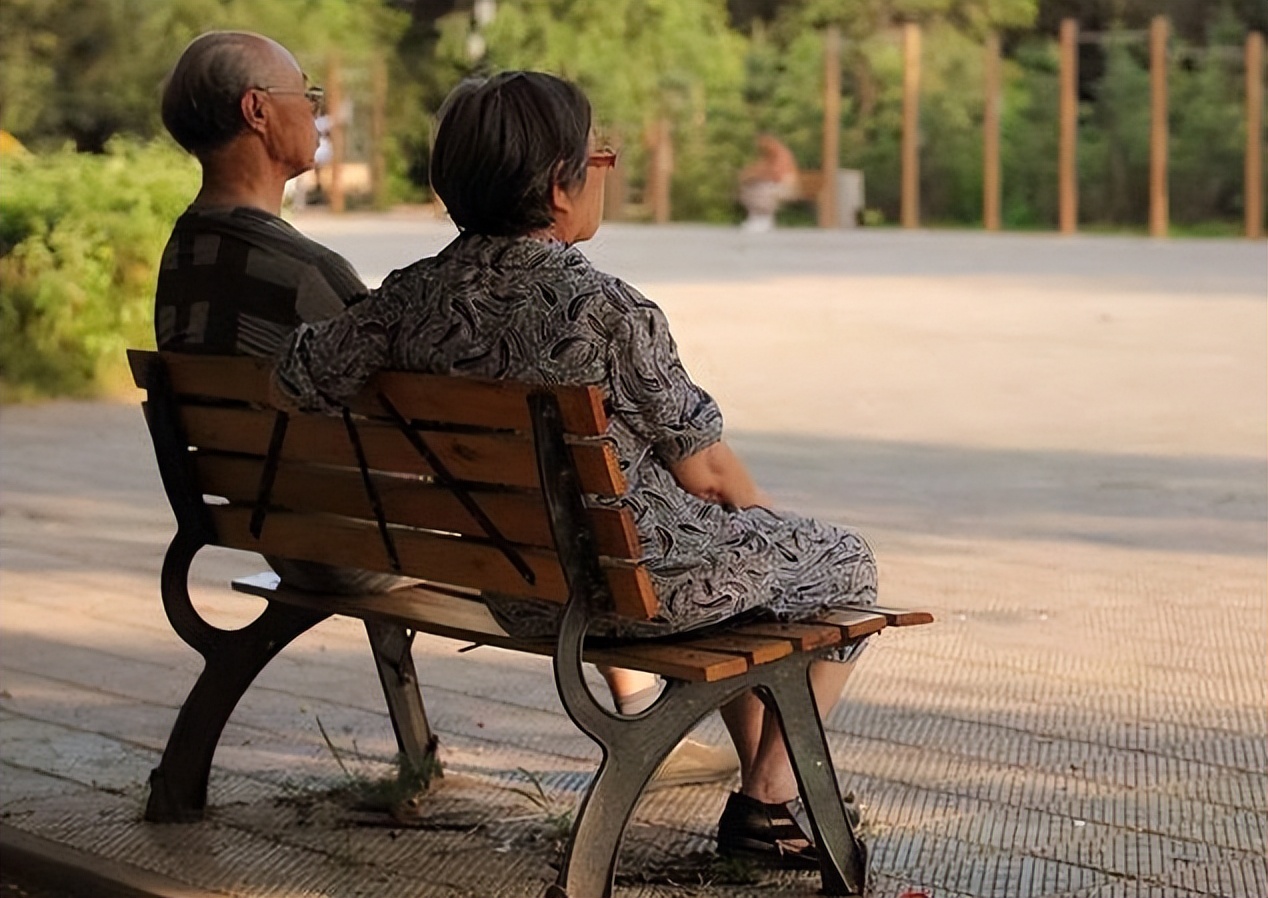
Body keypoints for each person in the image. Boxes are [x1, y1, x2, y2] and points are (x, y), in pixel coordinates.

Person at [271, 71, 877, 868]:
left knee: (759, 565)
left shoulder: (405, 300)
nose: (604, 171)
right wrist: (763, 524)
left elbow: (299, 375)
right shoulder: (606, 309)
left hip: (521, 590)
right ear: (559, 187)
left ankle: (772, 793)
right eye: (599, 158)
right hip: (640, 591)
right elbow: (707, 473)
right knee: (844, 564)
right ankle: (765, 802)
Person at [154, 34, 729, 788]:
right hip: (385, 541)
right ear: (258, 112)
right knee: (584, 475)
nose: (318, 115)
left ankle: (636, 709)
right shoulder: (305, 273)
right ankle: (646, 713)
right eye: (308, 96)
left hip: (270, 525)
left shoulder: (183, 253)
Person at [738, 133, 800, 233]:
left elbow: (776, 175)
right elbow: (757, 170)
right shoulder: (768, 156)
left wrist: (757, 175)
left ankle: (765, 220)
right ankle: (756, 218)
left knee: (763, 189)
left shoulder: (782, 155)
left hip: (785, 187)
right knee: (749, 188)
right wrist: (747, 176)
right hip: (773, 186)